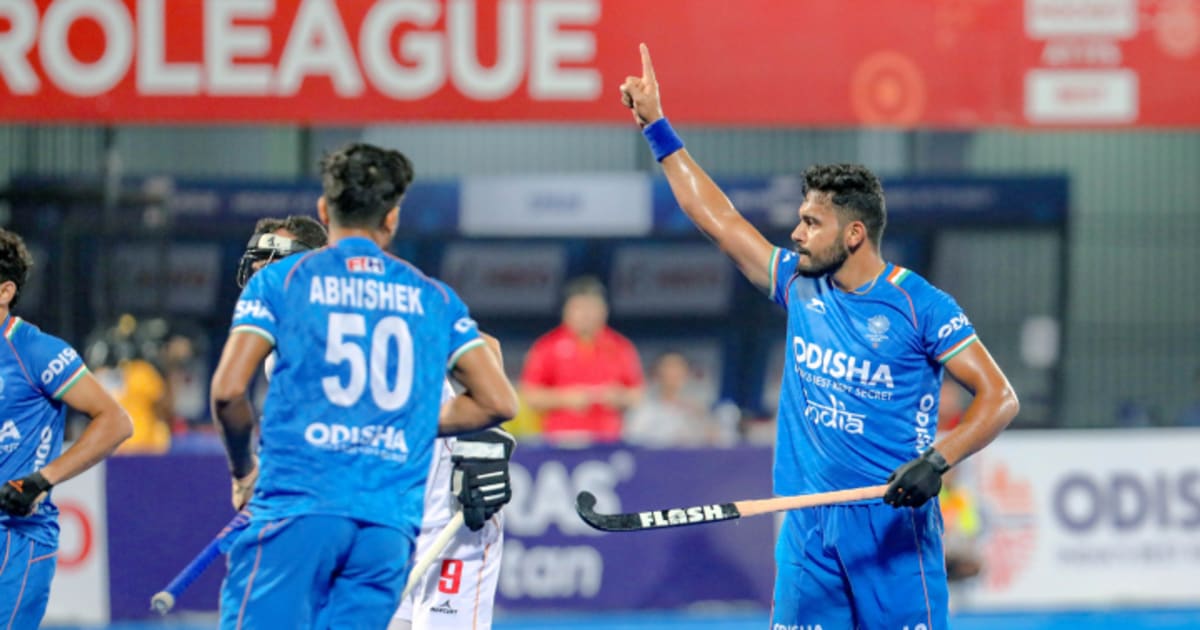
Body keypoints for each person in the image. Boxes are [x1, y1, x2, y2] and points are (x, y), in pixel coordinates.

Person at [620, 44, 1020, 628]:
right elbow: (719, 220)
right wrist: (656, 127)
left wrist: (937, 460)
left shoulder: (922, 306)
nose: (796, 233)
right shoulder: (798, 284)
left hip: (893, 531)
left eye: (811, 222)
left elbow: (1000, 397)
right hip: (807, 531)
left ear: (854, 233)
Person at [209, 143, 518, 628]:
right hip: (382, 517)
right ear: (390, 218)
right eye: (258, 265)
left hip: (447, 513)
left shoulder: (306, 297)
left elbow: (490, 354)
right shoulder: (417, 295)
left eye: (279, 263)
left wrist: (481, 441)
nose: (264, 275)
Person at [0, 228, 133, 628]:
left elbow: (115, 421)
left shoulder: (36, 351)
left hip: (15, 538)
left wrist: (42, 479)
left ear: (5, 291)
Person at [519, 277, 644, 446]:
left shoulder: (621, 346)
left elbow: (637, 394)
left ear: (604, 310)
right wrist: (564, 399)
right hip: (561, 440)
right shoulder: (546, 347)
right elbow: (530, 395)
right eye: (580, 308)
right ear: (566, 310)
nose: (587, 315)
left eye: (592, 308)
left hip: (608, 439)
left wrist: (618, 397)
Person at [624, 351, 721, 447]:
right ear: (657, 373)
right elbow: (633, 439)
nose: (673, 373)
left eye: (678, 368)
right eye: (668, 368)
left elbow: (716, 440)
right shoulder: (643, 407)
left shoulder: (697, 408)